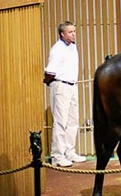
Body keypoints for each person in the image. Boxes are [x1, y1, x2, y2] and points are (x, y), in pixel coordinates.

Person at [44, 21, 86, 167]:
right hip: (60, 85)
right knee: (60, 122)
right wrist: (50, 83)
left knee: (73, 121)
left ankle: (70, 152)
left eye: (74, 31)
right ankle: (57, 156)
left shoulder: (73, 47)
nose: (73, 34)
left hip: (72, 85)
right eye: (70, 32)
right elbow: (49, 71)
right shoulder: (58, 49)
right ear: (62, 34)